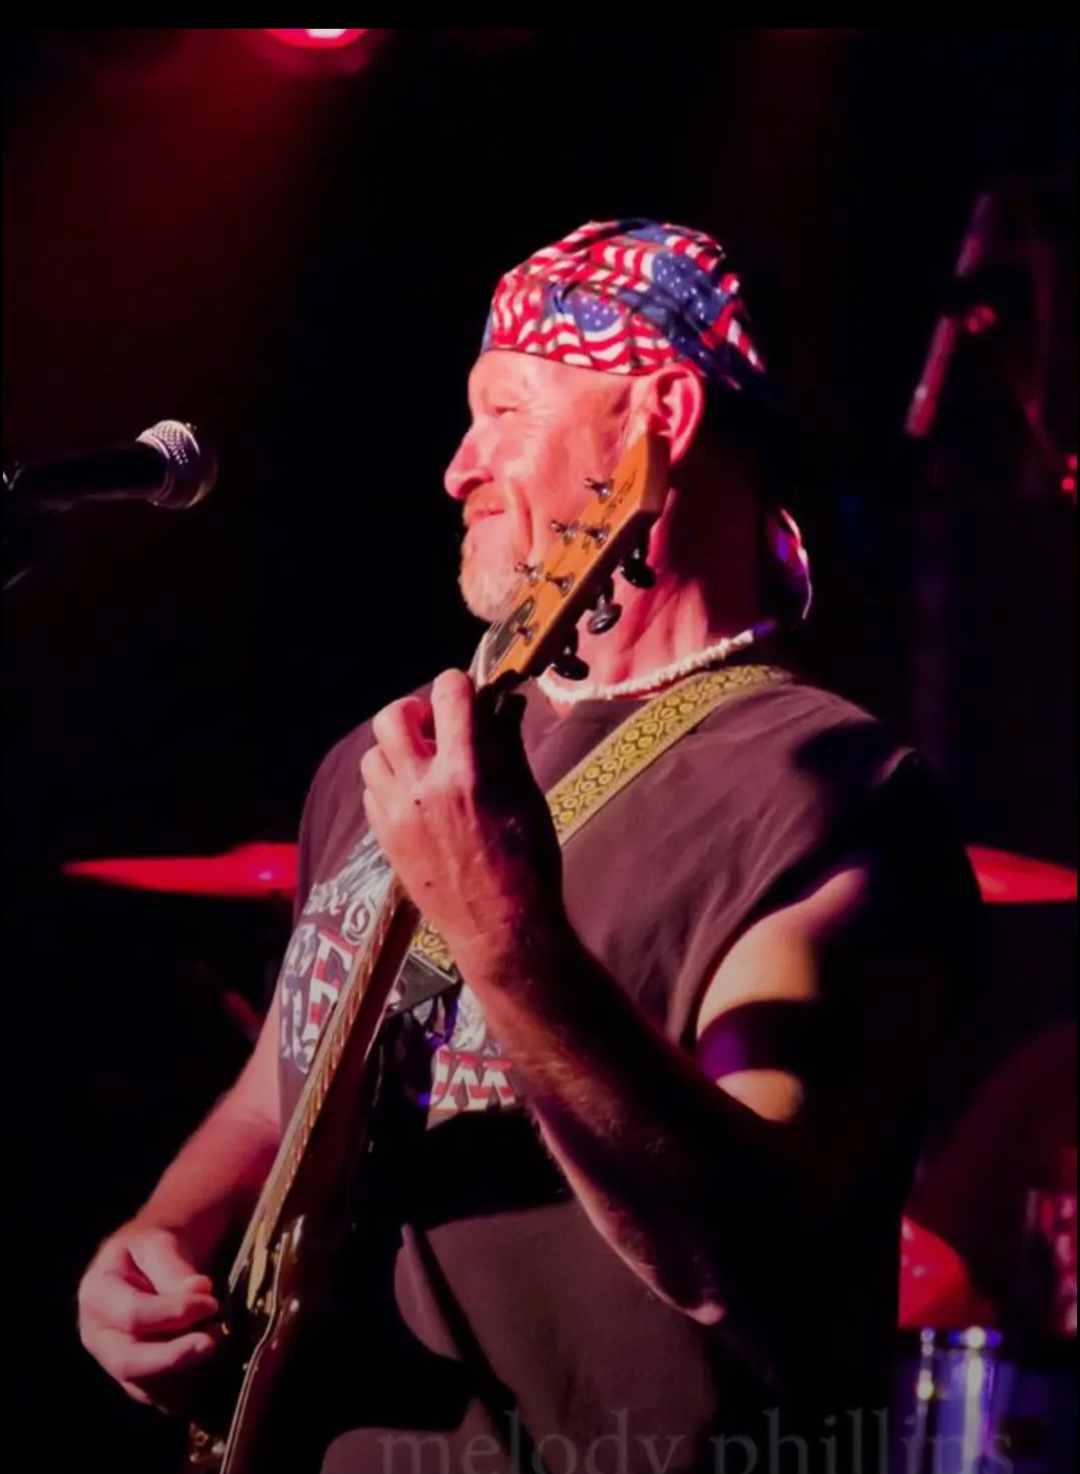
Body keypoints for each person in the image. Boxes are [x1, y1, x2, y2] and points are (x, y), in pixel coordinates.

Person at [77, 219, 981, 1473]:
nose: (457, 467)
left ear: (656, 417)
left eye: (503, 410)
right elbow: (281, 1077)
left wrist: (504, 932)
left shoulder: (831, 787)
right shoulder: (396, 756)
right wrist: (162, 1235)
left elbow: (743, 1245)